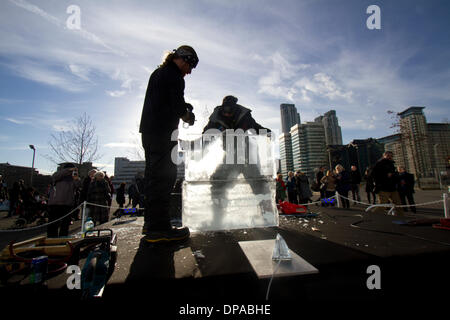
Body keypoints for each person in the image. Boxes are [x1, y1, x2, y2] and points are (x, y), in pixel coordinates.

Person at [139, 45, 198, 242]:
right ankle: (159, 228)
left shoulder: (159, 73)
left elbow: (167, 101)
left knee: (154, 176)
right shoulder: (174, 76)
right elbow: (176, 106)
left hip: (150, 131)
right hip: (163, 132)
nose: (189, 72)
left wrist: (182, 106)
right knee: (165, 176)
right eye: (190, 66)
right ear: (183, 59)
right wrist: (188, 116)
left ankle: (152, 224)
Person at [203, 95, 273, 222]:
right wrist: (195, 145)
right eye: (225, 111)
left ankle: (267, 216)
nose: (228, 114)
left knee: (258, 183)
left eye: (230, 111)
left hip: (245, 155)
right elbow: (207, 134)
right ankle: (217, 216)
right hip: (229, 156)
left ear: (235, 109)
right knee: (217, 182)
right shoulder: (216, 118)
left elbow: (255, 127)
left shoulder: (244, 115)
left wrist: (267, 132)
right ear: (222, 109)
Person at [47, 163, 81, 237]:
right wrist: (68, 170)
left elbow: (78, 185)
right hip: (55, 204)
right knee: (53, 224)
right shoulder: (58, 176)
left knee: (65, 225)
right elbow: (55, 177)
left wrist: (76, 178)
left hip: (67, 204)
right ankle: (51, 240)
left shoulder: (73, 178)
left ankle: (62, 239)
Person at [371, 151, 403, 216]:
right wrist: (384, 176)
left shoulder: (391, 164)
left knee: (398, 205)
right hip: (384, 188)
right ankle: (372, 216)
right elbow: (373, 174)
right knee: (382, 206)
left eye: (391, 156)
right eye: (388, 155)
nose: (389, 157)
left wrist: (394, 176)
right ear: (384, 156)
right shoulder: (379, 164)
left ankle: (401, 218)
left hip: (392, 188)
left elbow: (393, 175)